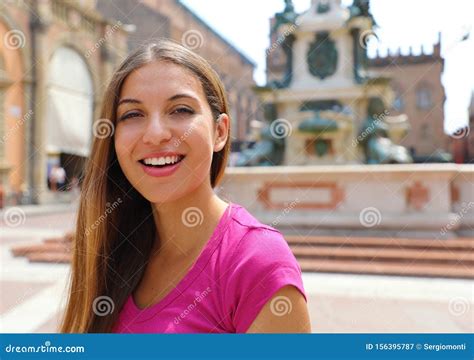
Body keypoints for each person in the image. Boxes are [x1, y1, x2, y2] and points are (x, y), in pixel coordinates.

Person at [60, 40, 310, 333]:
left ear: (220, 132)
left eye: (180, 110)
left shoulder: (257, 263)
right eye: (132, 114)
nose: (155, 134)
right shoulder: (109, 246)